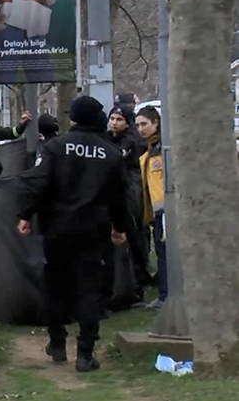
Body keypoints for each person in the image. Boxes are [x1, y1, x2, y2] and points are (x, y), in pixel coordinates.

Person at [18, 96, 130, 372]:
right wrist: (120, 227)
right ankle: (85, 352)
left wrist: (25, 214)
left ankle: (57, 342)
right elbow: (119, 198)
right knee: (90, 289)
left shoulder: (55, 147)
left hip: (57, 228)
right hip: (93, 230)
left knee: (55, 285)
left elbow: (39, 183)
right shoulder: (111, 154)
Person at [107, 106, 149, 305]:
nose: (114, 123)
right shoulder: (107, 138)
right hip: (114, 190)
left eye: (119, 120)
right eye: (112, 119)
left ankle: (138, 280)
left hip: (128, 190)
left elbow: (117, 159)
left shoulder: (130, 141)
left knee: (133, 235)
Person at [136, 107, 166, 309]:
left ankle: (166, 296)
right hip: (157, 212)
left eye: (144, 124)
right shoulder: (149, 149)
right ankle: (165, 294)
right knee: (162, 254)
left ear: (156, 123)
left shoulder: (160, 149)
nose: (140, 129)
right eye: (138, 125)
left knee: (164, 254)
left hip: (163, 210)